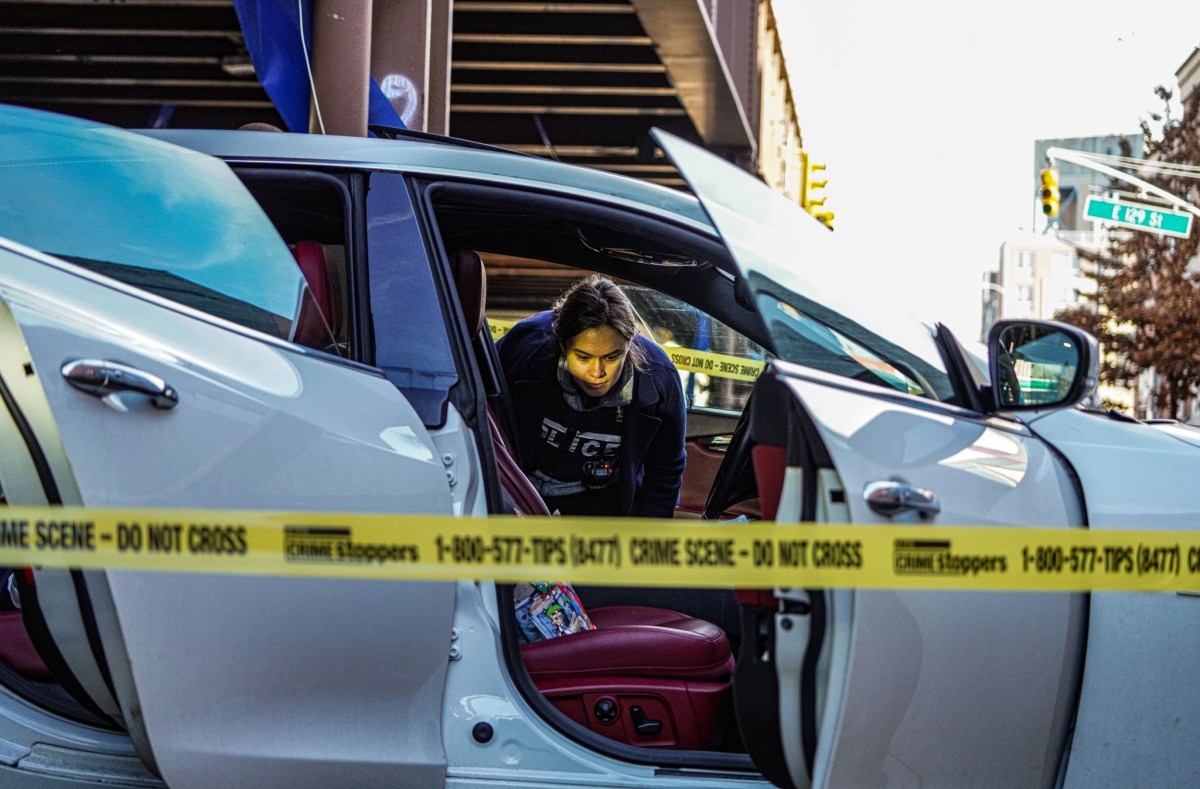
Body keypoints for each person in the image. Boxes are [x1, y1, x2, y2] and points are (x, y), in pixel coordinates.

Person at [496, 275, 686, 518]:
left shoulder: (659, 380)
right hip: (519, 486)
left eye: (611, 357)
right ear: (563, 345)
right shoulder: (525, 348)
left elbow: (666, 471)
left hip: (601, 496)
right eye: (584, 358)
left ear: (629, 345)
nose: (598, 374)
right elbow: (479, 408)